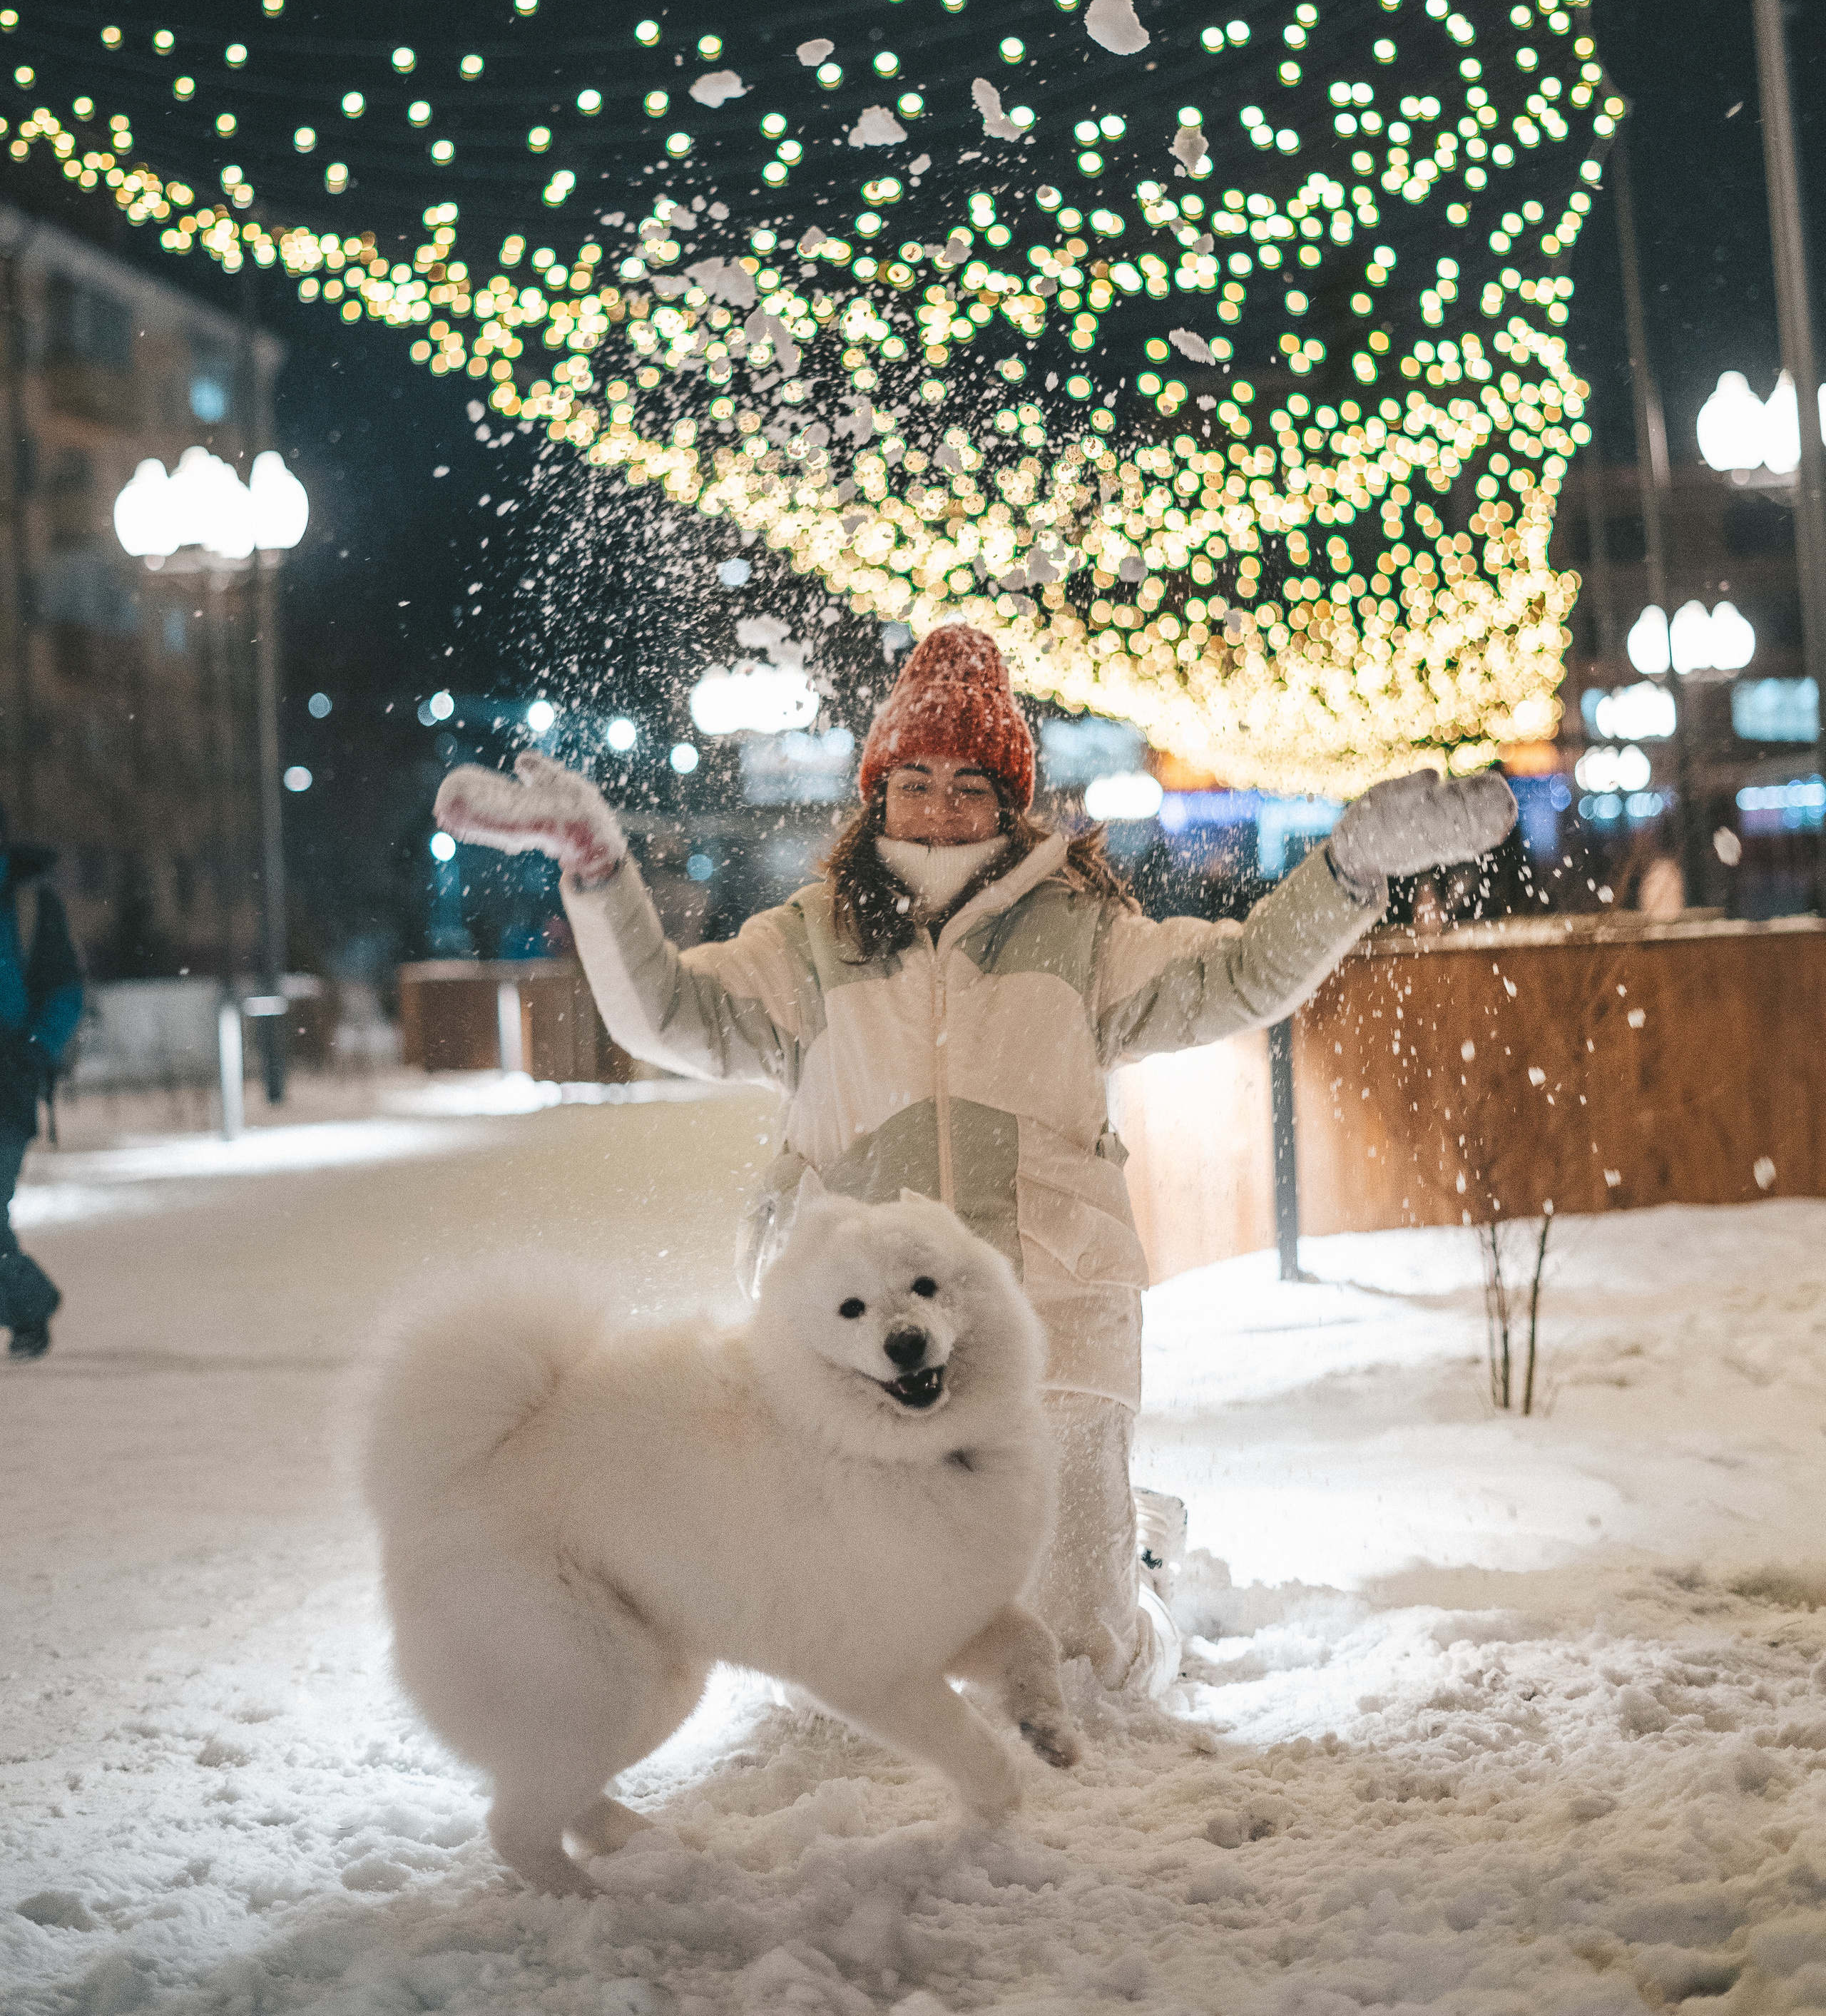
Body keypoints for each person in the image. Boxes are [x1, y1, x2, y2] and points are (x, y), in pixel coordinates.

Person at [437, 626, 1514, 1693]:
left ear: (1008, 802)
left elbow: (1237, 977)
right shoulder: (809, 943)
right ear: (878, 793)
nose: (941, 809)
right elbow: (666, 1013)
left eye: (969, 783)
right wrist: (598, 868)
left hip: (1053, 1317)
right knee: (862, 1648)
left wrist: (1346, 868)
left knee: (1081, 1662)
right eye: (916, 781)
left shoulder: (1082, 934)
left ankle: (1132, 1570)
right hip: (860, 1343)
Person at [0, 803, 84, 1360]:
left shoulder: (31, 905)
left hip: (8, 1082)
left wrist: (33, 1049)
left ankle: (30, 1304)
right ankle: (29, 1305)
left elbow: (66, 991)